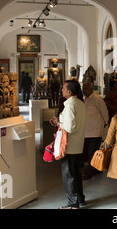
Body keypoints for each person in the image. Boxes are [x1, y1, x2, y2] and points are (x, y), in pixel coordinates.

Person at [49, 80, 86, 209]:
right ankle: (80, 198)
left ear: (69, 92)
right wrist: (60, 121)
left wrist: (58, 123)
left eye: (64, 88)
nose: (62, 90)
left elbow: (69, 127)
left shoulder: (70, 106)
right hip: (78, 145)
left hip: (69, 146)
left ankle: (73, 204)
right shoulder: (80, 104)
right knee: (76, 173)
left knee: (69, 175)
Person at [82, 81, 109, 179]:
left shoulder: (97, 99)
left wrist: (104, 126)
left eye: (86, 88)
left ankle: (89, 171)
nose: (84, 90)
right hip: (87, 131)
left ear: (91, 89)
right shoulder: (84, 100)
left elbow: (105, 113)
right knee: (91, 151)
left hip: (95, 131)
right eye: (83, 88)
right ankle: (96, 169)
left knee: (92, 152)